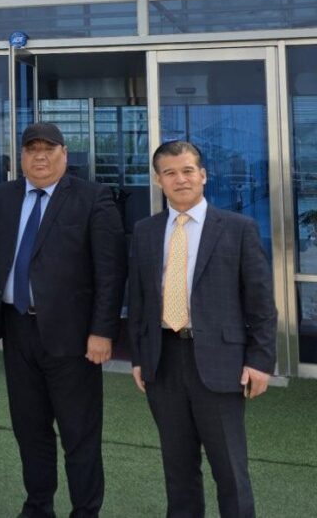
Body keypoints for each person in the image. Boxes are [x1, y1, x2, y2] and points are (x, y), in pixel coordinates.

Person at [0, 122, 126, 518]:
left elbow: (110, 271)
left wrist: (102, 331)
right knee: (30, 429)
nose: (40, 156)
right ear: (21, 156)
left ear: (64, 154)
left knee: (79, 433)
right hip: (17, 329)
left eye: (48, 148)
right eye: (31, 149)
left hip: (73, 338)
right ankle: (38, 507)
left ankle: (85, 510)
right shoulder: (1, 197)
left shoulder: (92, 197)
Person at [128, 140, 276, 517]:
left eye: (188, 171)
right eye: (170, 173)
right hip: (163, 361)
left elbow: (260, 302)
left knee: (230, 470)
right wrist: (139, 358)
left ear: (204, 175)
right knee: (178, 469)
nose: (180, 179)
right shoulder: (145, 231)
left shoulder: (238, 229)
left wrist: (260, 360)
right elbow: (140, 300)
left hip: (220, 363)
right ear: (158, 180)